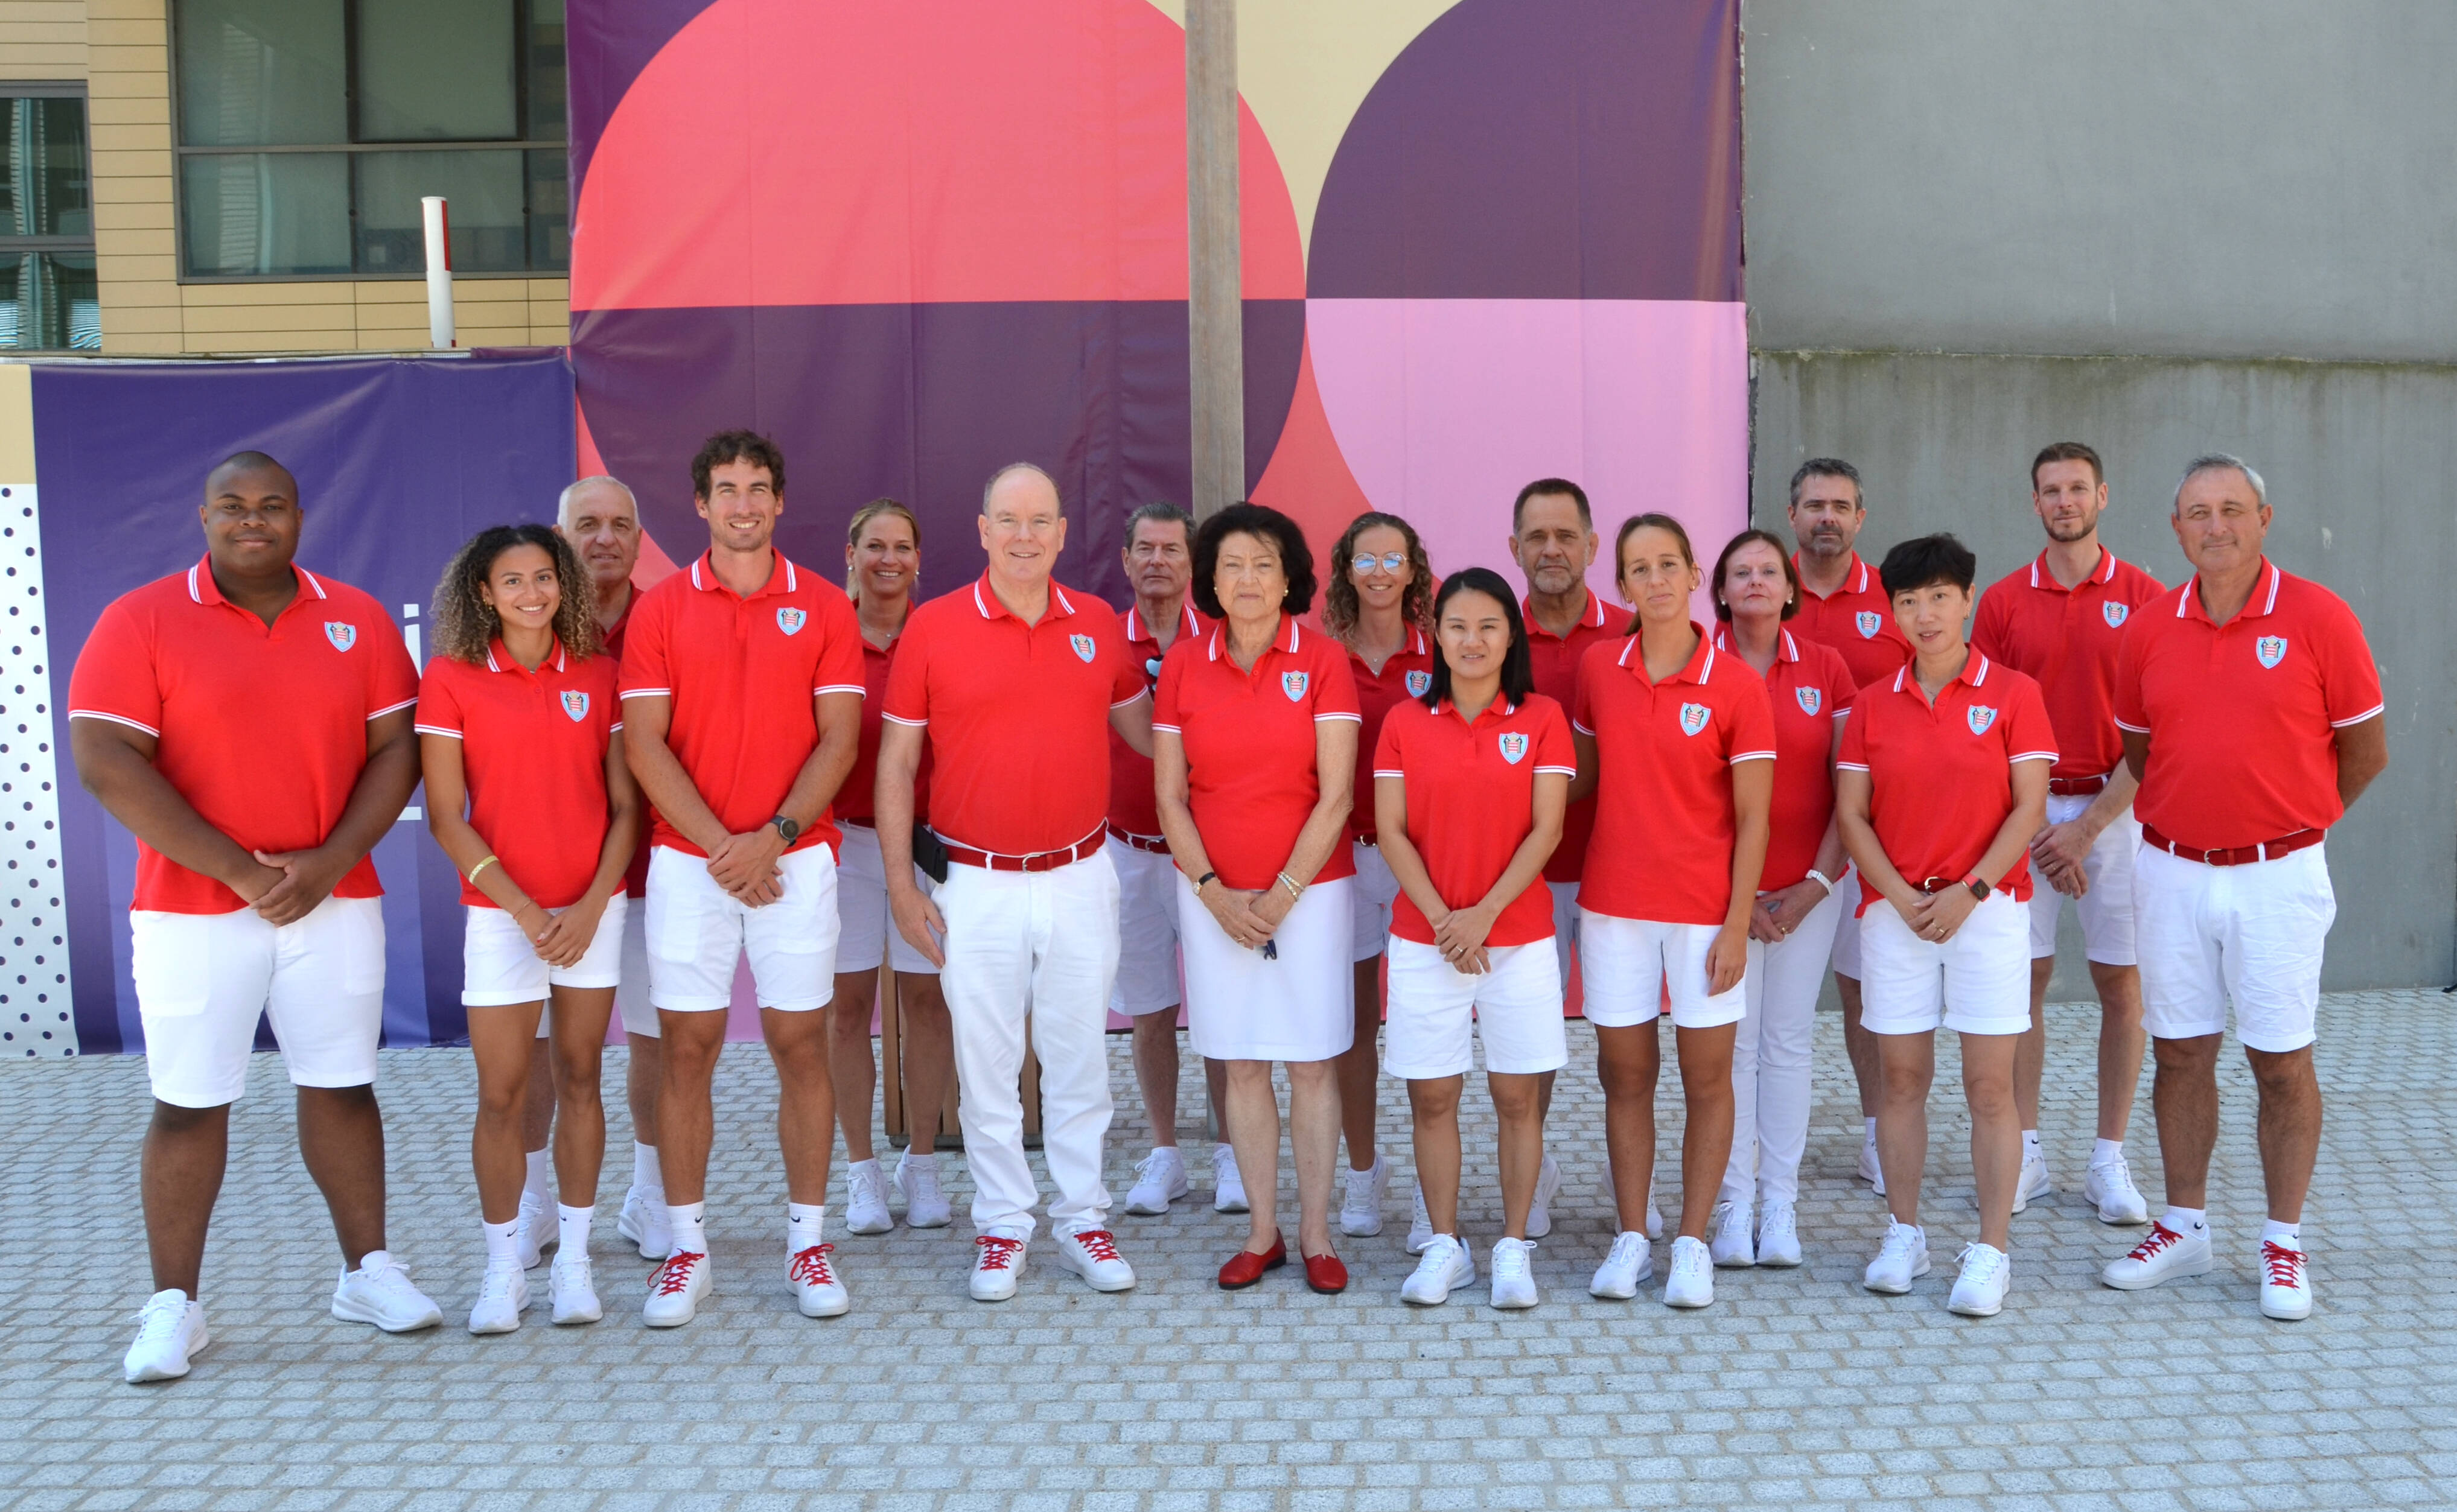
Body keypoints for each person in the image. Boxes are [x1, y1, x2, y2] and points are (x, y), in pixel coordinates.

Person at [74, 451, 441, 1385]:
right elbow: (106, 759)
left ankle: (367, 1272)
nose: (253, 520)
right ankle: (174, 1307)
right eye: (233, 506)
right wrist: (239, 870)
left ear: (298, 517)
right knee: (189, 1103)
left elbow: (396, 748)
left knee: (344, 1085)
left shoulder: (355, 617)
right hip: (193, 906)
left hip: (333, 898)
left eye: (271, 506)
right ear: (202, 517)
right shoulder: (141, 619)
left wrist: (325, 863)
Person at [2100, 455, 2385, 1321]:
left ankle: (2281, 1242)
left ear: (2264, 517)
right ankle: (2183, 1227)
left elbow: (2363, 753)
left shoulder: (2317, 617)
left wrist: (2286, 821)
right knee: (2179, 1050)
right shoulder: (2146, 628)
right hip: (2169, 867)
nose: (2213, 525)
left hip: (2278, 874)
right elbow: (2143, 754)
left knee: (2278, 1060)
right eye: (2196, 512)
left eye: (2230, 509)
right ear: (2174, 527)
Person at [877, 462, 1153, 1303]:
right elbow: (896, 761)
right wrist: (898, 882)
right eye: (1009, 520)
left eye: (1040, 521)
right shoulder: (933, 626)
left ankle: (1081, 1216)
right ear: (983, 529)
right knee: (987, 1060)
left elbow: (1148, 733)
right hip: (976, 882)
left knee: (1076, 1058)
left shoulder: (1098, 624)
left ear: (1063, 532)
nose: (1025, 535)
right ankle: (1002, 1225)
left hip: (1077, 873)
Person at [616, 430, 867, 1327]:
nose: (743, 504)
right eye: (725, 488)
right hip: (693, 864)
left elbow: (838, 736)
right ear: (700, 504)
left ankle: (807, 1240)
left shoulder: (825, 606)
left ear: (780, 500)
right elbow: (644, 742)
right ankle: (685, 1248)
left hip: (795, 861)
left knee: (803, 1045)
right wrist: (729, 845)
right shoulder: (660, 610)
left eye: (758, 487)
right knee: (687, 1051)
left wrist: (775, 836)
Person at [416, 525, 640, 1332]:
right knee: (502, 1094)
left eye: (544, 577)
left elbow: (624, 809)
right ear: (483, 593)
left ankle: (574, 1265)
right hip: (502, 917)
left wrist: (586, 907)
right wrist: (524, 910)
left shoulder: (600, 674)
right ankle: (504, 1267)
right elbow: (447, 818)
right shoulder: (450, 680)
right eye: (512, 580)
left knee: (581, 1077)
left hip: (590, 912)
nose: (531, 593)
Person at [1835, 533, 2057, 1318]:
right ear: (1890, 609)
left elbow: (2026, 805)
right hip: (1894, 913)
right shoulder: (1870, 704)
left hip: (1986, 910)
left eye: (1936, 596)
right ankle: (1903, 1232)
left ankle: (1990, 1249)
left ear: (1966, 599)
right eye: (1905, 600)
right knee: (1900, 1079)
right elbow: (1852, 817)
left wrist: (1968, 889)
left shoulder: (2012, 694)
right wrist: (1897, 895)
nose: (1922, 614)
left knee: (1988, 1085)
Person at [1153, 501, 1361, 1294]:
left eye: (1262, 565)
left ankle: (1314, 1234)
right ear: (1208, 577)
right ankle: (1261, 1232)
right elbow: (1171, 797)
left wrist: (1278, 896)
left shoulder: (1323, 660)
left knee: (1309, 1064)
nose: (1245, 579)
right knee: (1239, 1062)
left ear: (1288, 579)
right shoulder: (1181, 663)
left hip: (1308, 894)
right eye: (1231, 564)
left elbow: (1336, 794)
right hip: (1212, 897)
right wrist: (1211, 892)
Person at [1570, 514, 1774, 1310]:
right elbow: (1579, 778)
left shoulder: (1733, 683)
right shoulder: (1596, 667)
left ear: (1695, 575)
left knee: (1706, 1076)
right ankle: (1632, 1235)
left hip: (1701, 914)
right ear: (1619, 585)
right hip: (1613, 907)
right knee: (1622, 1073)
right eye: (1637, 568)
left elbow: (1753, 817)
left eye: (1667, 564)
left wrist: (1734, 924)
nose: (1653, 579)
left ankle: (1691, 1243)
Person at [1970, 442, 2165, 1226]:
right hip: (2020, 812)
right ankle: (2023, 1152)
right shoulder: (2003, 602)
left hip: (2114, 813)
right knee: (2022, 986)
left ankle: (2107, 1158)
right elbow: (1978, 728)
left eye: (2075, 488)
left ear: (2101, 495)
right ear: (2033, 503)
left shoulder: (2147, 597)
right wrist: (2037, 826)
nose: (2063, 501)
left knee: (2122, 987)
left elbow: (2155, 736)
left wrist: (2082, 830)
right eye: (2048, 490)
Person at [1375, 568, 1574, 1309]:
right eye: (1457, 625)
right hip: (1425, 941)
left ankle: (1514, 1248)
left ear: (1510, 635)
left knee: (1517, 1100)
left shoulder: (1543, 717)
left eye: (1489, 625)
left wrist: (1483, 915)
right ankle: (1445, 1245)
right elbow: (1391, 832)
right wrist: (1444, 922)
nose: (1472, 640)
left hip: (1516, 940)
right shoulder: (1403, 721)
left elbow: (1546, 828)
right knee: (1433, 1099)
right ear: (1437, 635)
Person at [1706, 529, 1855, 1270]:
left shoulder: (1826, 668)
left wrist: (1816, 886)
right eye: (1742, 572)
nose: (1757, 581)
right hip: (1719, 895)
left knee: (1788, 1043)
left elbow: (1848, 792)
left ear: (1790, 588)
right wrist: (1740, 899)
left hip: (1810, 890)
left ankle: (1780, 1202)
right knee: (1731, 1048)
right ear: (1723, 590)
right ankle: (1732, 1201)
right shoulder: (1701, 667)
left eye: (1770, 570)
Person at [827, 500, 956, 1235]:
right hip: (842, 844)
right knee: (846, 1010)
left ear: (917, 559)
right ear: (851, 553)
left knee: (926, 1003)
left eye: (902, 547)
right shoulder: (824, 629)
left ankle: (923, 1163)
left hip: (927, 846)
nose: (888, 559)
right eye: (874, 544)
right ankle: (861, 1173)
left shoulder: (938, 632)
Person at [1785, 458, 1912, 1196]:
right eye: (1813, 505)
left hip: (1882, 831)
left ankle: (1876, 1133)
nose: (1826, 517)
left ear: (1861, 518)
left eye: (1840, 506)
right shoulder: (1765, 594)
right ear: (1792, 515)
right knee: (1787, 1005)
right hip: (1797, 833)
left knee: (1868, 989)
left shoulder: (1894, 600)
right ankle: (1776, 1143)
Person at [555, 475, 673, 1263]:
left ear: (639, 538)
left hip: (654, 875)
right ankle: (535, 1200)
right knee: (547, 1052)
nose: (604, 537)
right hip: (553, 886)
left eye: (620, 524)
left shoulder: (669, 620)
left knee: (655, 1040)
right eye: (587, 523)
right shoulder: (527, 619)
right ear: (561, 532)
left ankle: (651, 1193)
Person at [1503, 478, 1618, 1247]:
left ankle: (1625, 1180)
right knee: (1531, 1041)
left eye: (1565, 536)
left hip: (1616, 874)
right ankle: (1533, 1171)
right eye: (1536, 538)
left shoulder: (1638, 632)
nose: (1551, 550)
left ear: (1592, 546)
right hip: (1525, 876)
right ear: (1514, 549)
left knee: (1621, 1038)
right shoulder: (1485, 633)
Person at [1108, 501, 1222, 1218]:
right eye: (1144, 549)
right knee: (1151, 1011)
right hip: (1126, 849)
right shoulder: (1095, 637)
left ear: (1191, 565)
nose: (1157, 561)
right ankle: (1164, 1152)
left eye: (1171, 550)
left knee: (1220, 1007)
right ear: (1126, 561)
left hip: (1208, 856)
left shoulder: (1222, 641)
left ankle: (1234, 1155)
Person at [1322, 510, 1433, 1240]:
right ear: (1347, 571)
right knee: (1353, 1022)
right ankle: (1363, 1174)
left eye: (1395, 559)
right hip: (1347, 855)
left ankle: (1434, 1189)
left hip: (1425, 860)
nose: (1382, 572)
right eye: (1368, 559)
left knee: (1427, 1024)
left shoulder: (1444, 649)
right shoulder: (1322, 653)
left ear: (1414, 570)